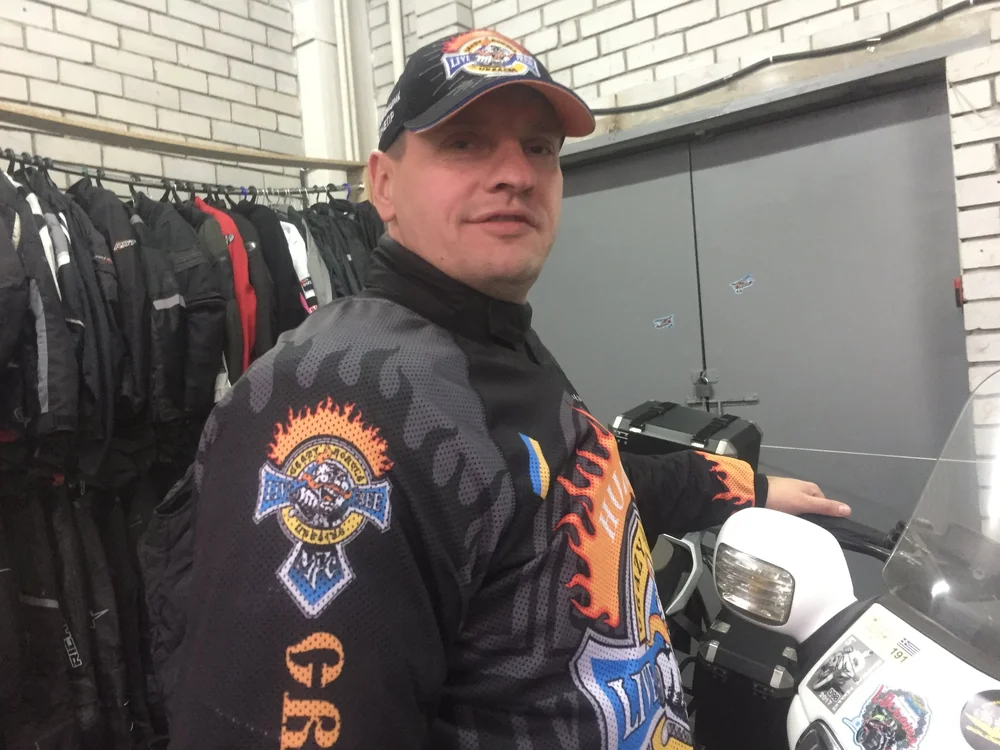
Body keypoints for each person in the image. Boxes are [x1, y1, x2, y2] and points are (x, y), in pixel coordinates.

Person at [168, 29, 850, 749]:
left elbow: (578, 487)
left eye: (539, 147)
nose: (517, 174)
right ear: (384, 185)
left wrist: (744, 486)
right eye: (465, 143)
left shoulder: (488, 345)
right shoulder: (338, 400)